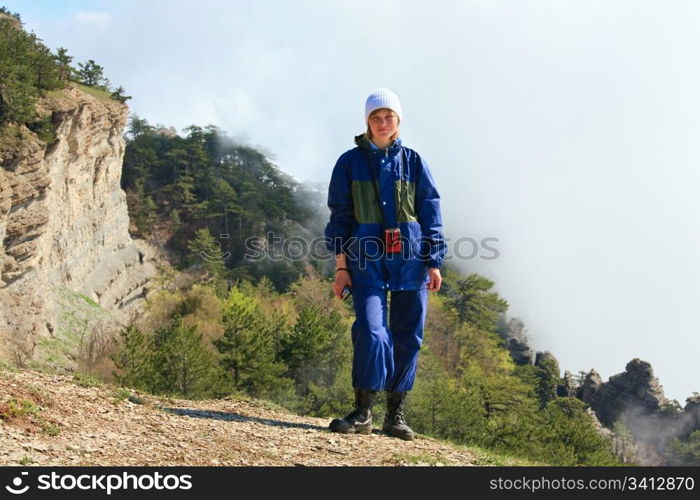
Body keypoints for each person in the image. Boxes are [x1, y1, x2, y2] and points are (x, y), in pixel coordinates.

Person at [324, 88, 447, 440]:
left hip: (411, 263)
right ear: (366, 122)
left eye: (388, 116)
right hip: (365, 263)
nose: (382, 123)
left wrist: (434, 261)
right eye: (375, 117)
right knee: (371, 331)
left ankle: (395, 415)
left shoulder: (414, 162)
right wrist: (341, 267)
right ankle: (363, 411)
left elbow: (431, 212)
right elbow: (340, 218)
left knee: (408, 337)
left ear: (398, 121)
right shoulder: (349, 163)